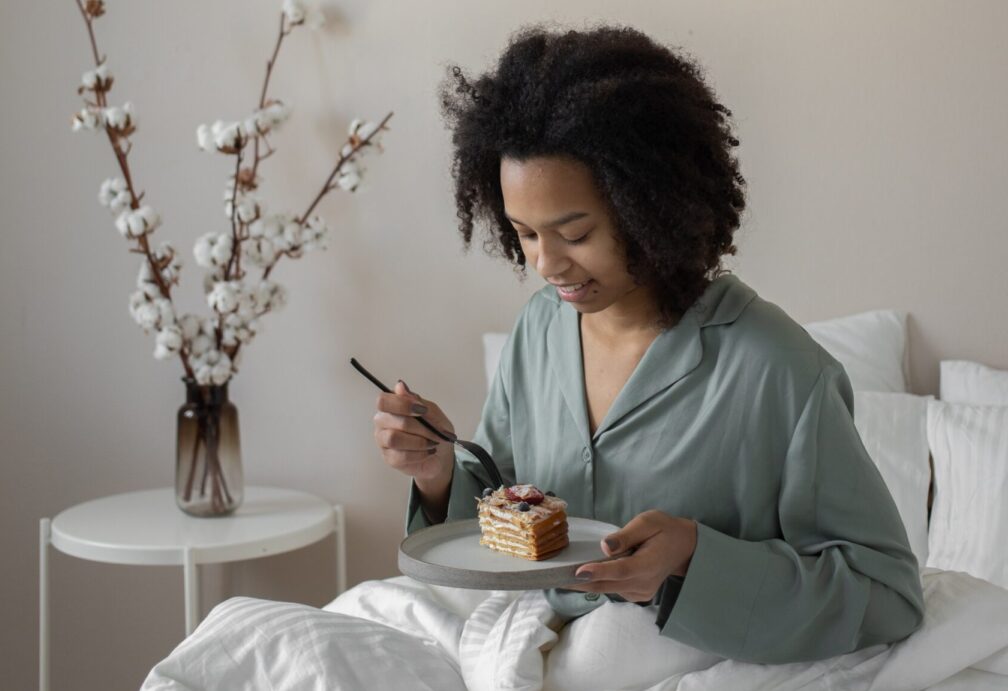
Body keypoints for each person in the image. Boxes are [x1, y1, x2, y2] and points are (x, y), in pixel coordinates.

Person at [373, 25, 924, 665]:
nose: (546, 264)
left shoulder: (780, 370)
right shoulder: (540, 330)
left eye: (575, 233)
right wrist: (437, 471)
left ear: (650, 205)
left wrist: (697, 558)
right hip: (525, 647)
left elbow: (886, 594)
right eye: (523, 233)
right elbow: (503, 510)